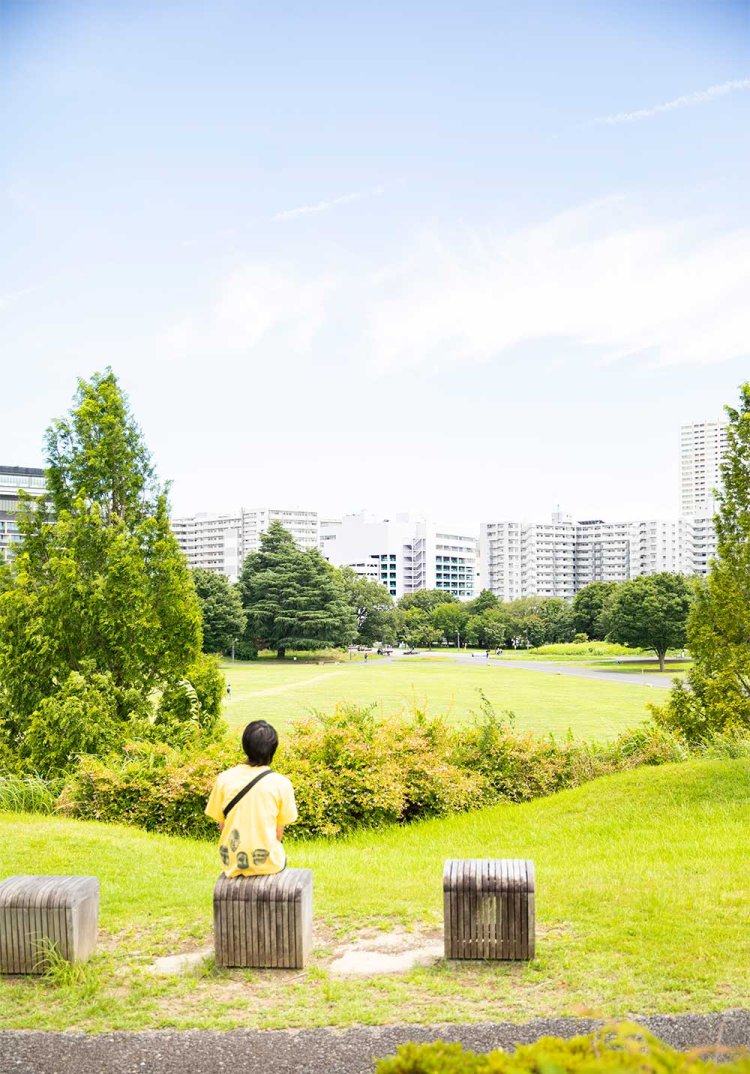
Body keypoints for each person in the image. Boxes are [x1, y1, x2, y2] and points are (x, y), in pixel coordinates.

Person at [205, 720, 297, 877]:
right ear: (273, 750)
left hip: (231, 862)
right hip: (268, 864)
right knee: (280, 857)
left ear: (245, 746)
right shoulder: (281, 783)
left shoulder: (224, 779)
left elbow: (222, 826)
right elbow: (278, 833)